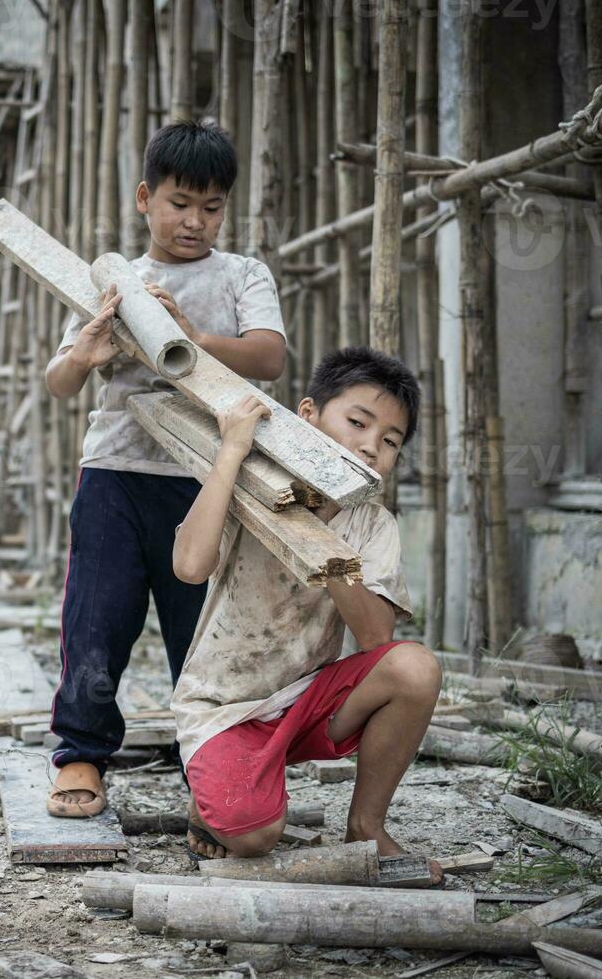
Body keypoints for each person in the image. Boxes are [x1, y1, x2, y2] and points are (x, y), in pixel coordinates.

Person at [43, 120, 287, 817]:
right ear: (146, 198)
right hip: (115, 471)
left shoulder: (241, 274)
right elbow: (60, 381)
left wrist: (189, 338)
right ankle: (82, 756)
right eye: (180, 203)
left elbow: (268, 355)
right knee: (97, 620)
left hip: (203, 480)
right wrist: (88, 353)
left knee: (202, 634)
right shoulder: (118, 280)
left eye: (211, 208)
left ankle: (207, 773)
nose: (195, 221)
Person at [171, 347, 443, 882]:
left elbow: (375, 637)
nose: (370, 446)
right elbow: (188, 565)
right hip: (225, 707)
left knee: (414, 667)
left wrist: (326, 546)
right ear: (309, 414)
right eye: (358, 423)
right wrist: (232, 451)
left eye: (390, 441)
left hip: (307, 699)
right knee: (254, 836)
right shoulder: (255, 485)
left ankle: (366, 825)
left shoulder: (372, 524)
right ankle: (213, 806)